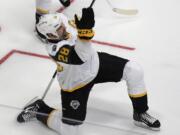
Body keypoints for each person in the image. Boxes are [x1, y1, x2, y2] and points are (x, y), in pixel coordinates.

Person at [17, 6, 161, 135]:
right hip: (76, 83)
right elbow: (80, 57)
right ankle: (39, 109)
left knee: (134, 70)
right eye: (59, 29)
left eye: (61, 25)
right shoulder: (54, 49)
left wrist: (85, 23)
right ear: (51, 35)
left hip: (95, 64)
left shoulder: (63, 23)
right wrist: (85, 32)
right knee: (71, 131)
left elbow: (79, 28)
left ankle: (140, 113)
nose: (63, 28)